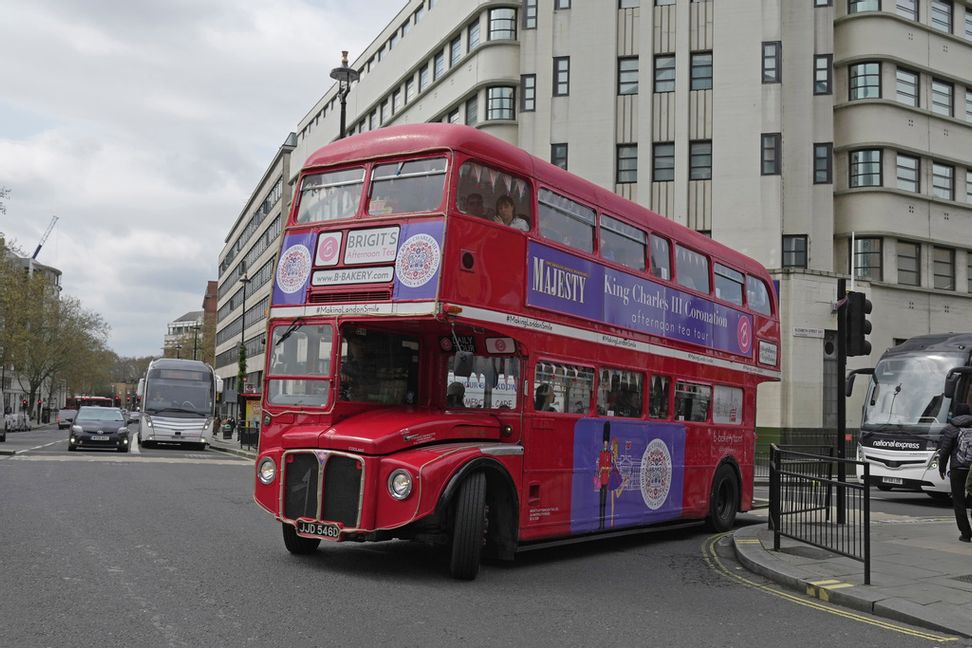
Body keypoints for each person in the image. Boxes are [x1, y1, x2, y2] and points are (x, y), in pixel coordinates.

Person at [937, 402, 972, 542]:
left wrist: (941, 468)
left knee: (958, 501)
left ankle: (965, 533)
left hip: (958, 468)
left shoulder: (951, 428)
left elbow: (944, 451)